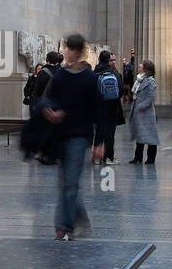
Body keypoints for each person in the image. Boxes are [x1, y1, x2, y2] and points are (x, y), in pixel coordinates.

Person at [41, 33, 107, 240]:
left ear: (76, 51)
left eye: (68, 48)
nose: (65, 52)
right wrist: (52, 112)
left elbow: (100, 111)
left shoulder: (91, 79)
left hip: (80, 136)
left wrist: (100, 143)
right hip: (60, 136)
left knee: (70, 184)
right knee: (67, 184)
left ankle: (63, 227)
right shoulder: (59, 76)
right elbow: (48, 100)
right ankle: (81, 219)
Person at [94, 49, 125, 164]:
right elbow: (121, 91)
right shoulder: (114, 74)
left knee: (99, 131)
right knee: (110, 133)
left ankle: (96, 157)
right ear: (108, 61)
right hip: (112, 107)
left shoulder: (95, 73)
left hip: (98, 107)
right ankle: (108, 157)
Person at [128, 58, 159, 164]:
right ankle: (138, 157)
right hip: (139, 111)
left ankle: (151, 158)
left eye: (142, 64)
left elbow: (150, 97)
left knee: (150, 136)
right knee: (139, 134)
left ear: (146, 68)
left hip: (146, 112)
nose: (140, 65)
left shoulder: (150, 81)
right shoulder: (140, 79)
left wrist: (141, 106)